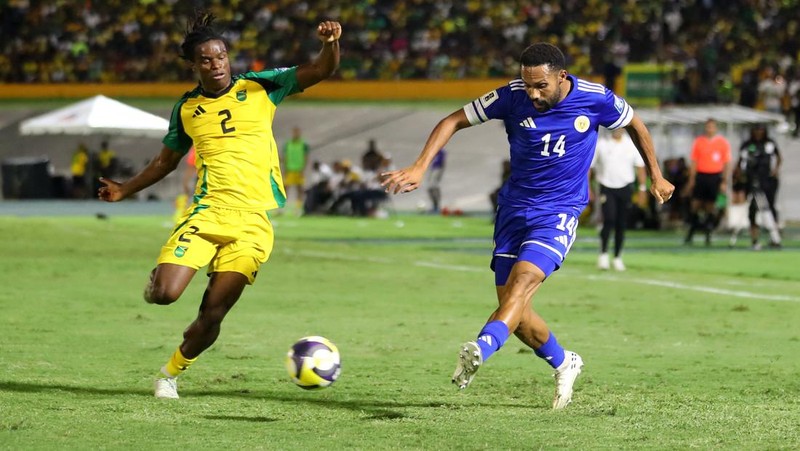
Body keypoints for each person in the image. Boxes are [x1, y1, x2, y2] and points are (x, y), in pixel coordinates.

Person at [381, 42, 673, 409]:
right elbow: (452, 120)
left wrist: (656, 176)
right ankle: (565, 362)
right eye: (527, 84)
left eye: (541, 86)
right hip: (513, 210)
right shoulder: (512, 95)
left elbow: (635, 124)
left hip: (560, 211)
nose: (532, 93)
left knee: (523, 281)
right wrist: (420, 166)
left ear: (561, 77)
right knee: (515, 313)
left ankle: (480, 349)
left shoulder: (595, 98)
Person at [98, 12, 342, 399]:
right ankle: (157, 278)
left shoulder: (262, 86)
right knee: (164, 295)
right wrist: (124, 189)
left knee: (213, 313)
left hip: (253, 224)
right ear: (194, 65)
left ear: (229, 58)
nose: (217, 65)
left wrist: (330, 44)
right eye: (207, 60)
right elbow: (165, 162)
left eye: (222, 56)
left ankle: (169, 373)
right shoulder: (187, 108)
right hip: (208, 213)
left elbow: (319, 70)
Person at [590, 128, 647, 271]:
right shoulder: (602, 144)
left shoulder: (631, 144)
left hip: (625, 187)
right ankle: (603, 254)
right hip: (606, 186)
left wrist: (642, 188)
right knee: (609, 219)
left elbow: (640, 167)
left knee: (621, 223)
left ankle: (617, 256)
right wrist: (587, 187)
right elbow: (589, 167)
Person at [683, 118, 731, 246]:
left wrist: (724, 181)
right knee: (695, 204)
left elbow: (726, 163)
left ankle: (708, 233)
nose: (709, 129)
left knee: (710, 206)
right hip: (701, 176)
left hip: (715, 177)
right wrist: (692, 179)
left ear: (716, 128)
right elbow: (694, 161)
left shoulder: (722, 143)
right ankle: (692, 231)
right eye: (707, 127)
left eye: (712, 127)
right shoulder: (699, 141)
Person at [737, 124, 782, 249]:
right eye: (756, 130)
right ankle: (755, 238)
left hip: (767, 181)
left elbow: (778, 158)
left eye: (761, 130)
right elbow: (740, 162)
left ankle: (774, 236)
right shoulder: (747, 145)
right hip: (752, 181)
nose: (758, 133)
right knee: (753, 209)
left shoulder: (769, 144)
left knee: (768, 208)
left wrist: (775, 170)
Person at [281, 126, 310, 215]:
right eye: (294, 132)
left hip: (299, 170)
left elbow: (306, 158)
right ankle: (282, 208)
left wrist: (303, 169)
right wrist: (284, 169)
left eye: (297, 132)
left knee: (299, 189)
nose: (295, 134)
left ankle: (298, 209)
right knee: (285, 189)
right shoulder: (288, 144)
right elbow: (285, 157)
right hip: (290, 170)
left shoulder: (303, 144)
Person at [425, 148, 447, 213]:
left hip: (437, 169)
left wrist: (439, 174)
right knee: (430, 188)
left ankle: (437, 206)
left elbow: (442, 164)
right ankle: (434, 206)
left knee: (434, 186)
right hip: (433, 169)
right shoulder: (433, 150)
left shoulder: (441, 152)